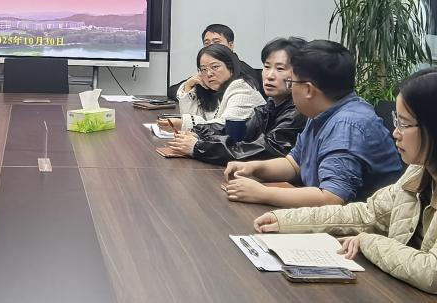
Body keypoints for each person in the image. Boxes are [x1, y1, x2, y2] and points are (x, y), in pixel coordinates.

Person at [253, 68, 437, 302]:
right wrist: (285, 220)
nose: (395, 133)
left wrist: (369, 241)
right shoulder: (421, 171)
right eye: (396, 120)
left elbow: (434, 273)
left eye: (404, 123)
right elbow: (366, 214)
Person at [223, 40, 402, 207]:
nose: (291, 88)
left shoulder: (347, 125)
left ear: (308, 89)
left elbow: (332, 198)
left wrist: (263, 193)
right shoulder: (320, 112)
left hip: (360, 225)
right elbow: (294, 164)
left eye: (292, 82)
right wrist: (253, 167)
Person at [163, 37, 306, 165]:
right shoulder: (271, 105)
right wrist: (197, 133)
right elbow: (237, 130)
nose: (269, 75)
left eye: (280, 68)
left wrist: (198, 146)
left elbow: (264, 150)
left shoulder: (298, 111)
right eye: (267, 67)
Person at [173, 43, 265, 126]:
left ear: (230, 68)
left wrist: (185, 124)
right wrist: (188, 88)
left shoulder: (242, 88)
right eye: (204, 69)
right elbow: (192, 120)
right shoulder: (211, 92)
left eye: (215, 67)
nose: (209, 73)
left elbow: (224, 127)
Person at [166, 24, 262, 100]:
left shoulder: (243, 72)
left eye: (216, 42)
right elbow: (172, 90)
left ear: (231, 45)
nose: (211, 46)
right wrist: (188, 86)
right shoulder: (207, 70)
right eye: (206, 43)